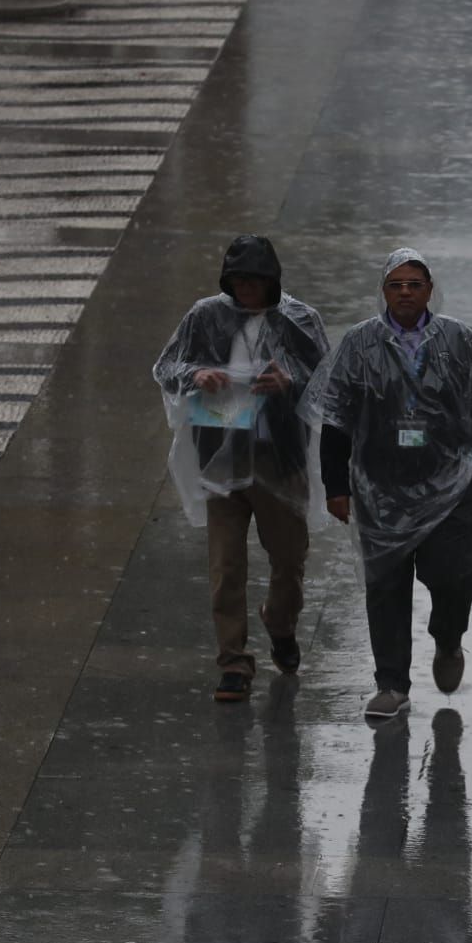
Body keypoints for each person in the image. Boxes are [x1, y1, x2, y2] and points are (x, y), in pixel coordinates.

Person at [312, 248, 472, 721]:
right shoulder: (360, 344)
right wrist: (335, 484)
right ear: (383, 292)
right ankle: (391, 683)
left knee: (456, 576)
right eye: (396, 285)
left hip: (450, 488)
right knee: (385, 586)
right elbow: (337, 416)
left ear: (430, 291)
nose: (405, 292)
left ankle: (448, 638)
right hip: (379, 487)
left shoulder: (458, 340)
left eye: (414, 284)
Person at [152, 234, 329, 702]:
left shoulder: (301, 320)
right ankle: (233, 661)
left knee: (289, 560)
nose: (245, 289)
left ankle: (281, 622)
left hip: (279, 460)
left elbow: (329, 383)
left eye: (254, 281)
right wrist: (195, 375)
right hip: (220, 459)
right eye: (237, 281)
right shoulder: (205, 315)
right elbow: (168, 365)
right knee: (225, 566)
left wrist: (289, 382)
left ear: (272, 281)